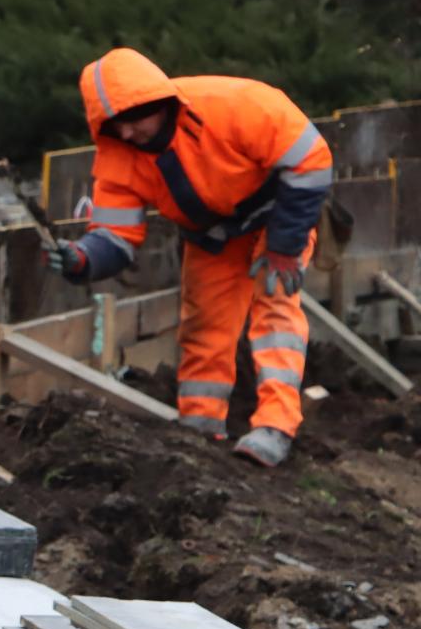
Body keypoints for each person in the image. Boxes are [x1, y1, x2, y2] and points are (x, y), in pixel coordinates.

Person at [51, 47, 332, 467]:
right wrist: (82, 260)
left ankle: (276, 425)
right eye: (116, 126)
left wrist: (285, 247)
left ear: (160, 102)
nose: (127, 133)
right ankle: (200, 430)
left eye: (133, 120)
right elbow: (115, 235)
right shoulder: (118, 157)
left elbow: (311, 161)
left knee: (274, 311)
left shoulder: (236, 105)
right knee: (204, 327)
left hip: (278, 222)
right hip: (212, 237)